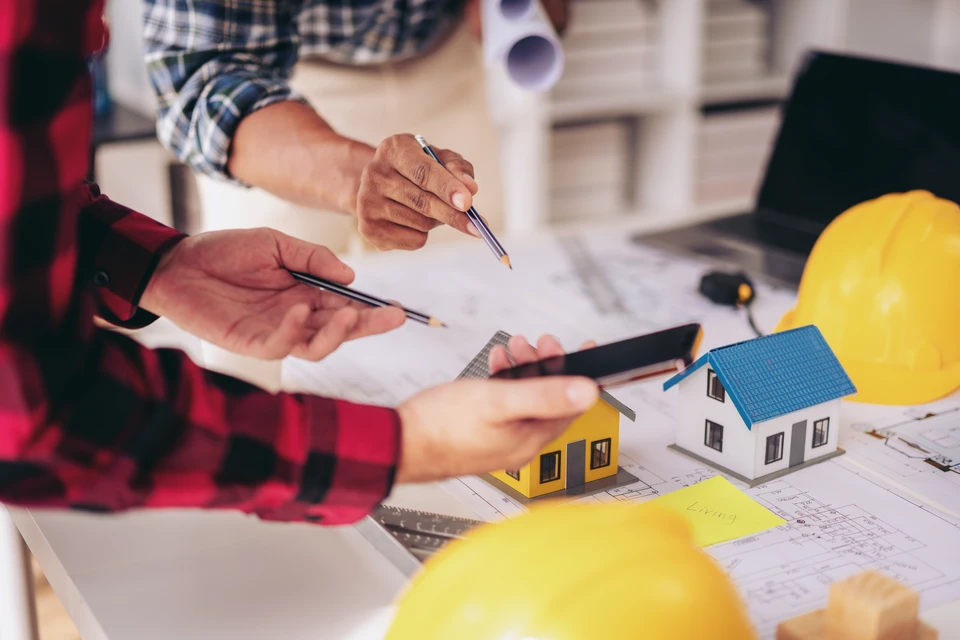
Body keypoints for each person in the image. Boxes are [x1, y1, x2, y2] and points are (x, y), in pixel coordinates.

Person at [0, 0, 597, 526]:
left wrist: (160, 265)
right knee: (273, 404)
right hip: (281, 100)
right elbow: (33, 414)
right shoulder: (22, 29)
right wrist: (407, 446)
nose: (103, 35)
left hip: (447, 68)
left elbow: (22, 217)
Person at [141, 0, 568, 389]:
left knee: (476, 321)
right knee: (262, 351)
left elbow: (555, 15)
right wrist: (360, 179)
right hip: (280, 91)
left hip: (447, 59)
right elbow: (206, 75)